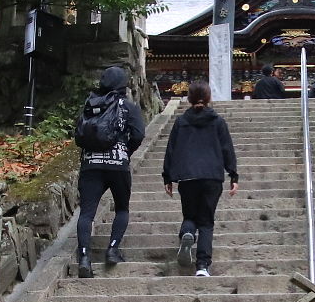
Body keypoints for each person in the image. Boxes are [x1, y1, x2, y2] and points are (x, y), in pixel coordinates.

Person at [71, 65, 146, 278]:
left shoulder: (90, 103)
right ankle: (113, 249)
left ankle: (84, 257)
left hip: (90, 165)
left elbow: (80, 132)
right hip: (117, 164)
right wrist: (125, 150)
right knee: (122, 208)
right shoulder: (128, 107)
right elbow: (139, 134)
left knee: (86, 213)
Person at [162, 79, 238, 277]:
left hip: (187, 177)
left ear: (189, 99)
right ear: (208, 98)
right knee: (206, 222)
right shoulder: (218, 121)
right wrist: (233, 174)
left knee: (189, 216)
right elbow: (227, 149)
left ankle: (187, 233)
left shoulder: (181, 122)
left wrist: (167, 177)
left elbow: (171, 150)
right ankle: (202, 266)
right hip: (212, 177)